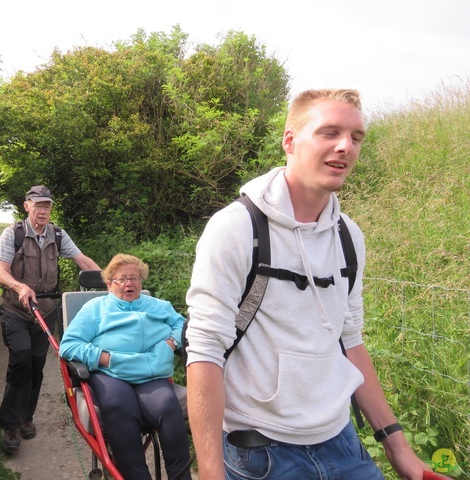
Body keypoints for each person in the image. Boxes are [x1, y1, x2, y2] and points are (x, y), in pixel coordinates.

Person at [185, 89, 435, 479]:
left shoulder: (349, 237)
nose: (345, 147)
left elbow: (350, 340)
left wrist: (397, 446)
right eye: (329, 132)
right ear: (290, 140)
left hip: (343, 443)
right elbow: (204, 350)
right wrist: (212, 474)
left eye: (356, 137)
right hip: (260, 454)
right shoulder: (237, 228)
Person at [59, 254, 192, 480]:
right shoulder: (95, 309)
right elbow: (69, 345)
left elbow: (182, 325)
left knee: (168, 405)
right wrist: (103, 358)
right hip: (112, 373)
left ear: (142, 281)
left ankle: (182, 477)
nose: (129, 283)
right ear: (110, 284)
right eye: (122, 279)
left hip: (151, 373)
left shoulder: (159, 306)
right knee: (118, 405)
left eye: (135, 278)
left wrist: (171, 343)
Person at [0, 185, 100, 454]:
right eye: (37, 205)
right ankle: (10, 425)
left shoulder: (58, 234)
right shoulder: (13, 234)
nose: (42, 210)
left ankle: (27, 417)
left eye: (47, 206)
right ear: (26, 206)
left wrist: (109, 282)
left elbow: (82, 260)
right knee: (20, 359)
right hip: (16, 311)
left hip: (46, 311)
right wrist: (20, 288)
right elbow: (0, 273)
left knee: (37, 365)